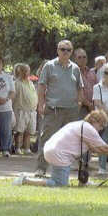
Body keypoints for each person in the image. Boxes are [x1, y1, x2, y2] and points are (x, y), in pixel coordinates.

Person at [13, 110, 108, 188]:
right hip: (59, 155)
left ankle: (84, 182)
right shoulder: (89, 129)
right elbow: (103, 148)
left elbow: (97, 148)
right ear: (94, 121)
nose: (101, 128)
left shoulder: (78, 124)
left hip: (51, 150)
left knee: (59, 180)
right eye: (101, 125)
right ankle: (25, 180)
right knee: (60, 184)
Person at [35, 40, 83, 176]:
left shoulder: (75, 68)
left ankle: (64, 169)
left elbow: (80, 88)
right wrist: (41, 105)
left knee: (69, 140)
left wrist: (79, 104)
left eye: (68, 50)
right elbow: (41, 87)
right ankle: (41, 168)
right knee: (47, 138)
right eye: (63, 49)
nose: (65, 52)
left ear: (71, 52)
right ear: (58, 50)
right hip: (53, 109)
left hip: (71, 110)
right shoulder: (49, 66)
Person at [12, 63, 37, 155]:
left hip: (32, 111)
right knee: (19, 131)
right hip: (21, 110)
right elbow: (13, 97)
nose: (26, 73)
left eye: (27, 71)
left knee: (29, 132)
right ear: (19, 72)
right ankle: (17, 148)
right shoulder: (16, 83)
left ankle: (27, 149)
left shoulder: (30, 82)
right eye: (23, 71)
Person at [74, 48, 97, 117]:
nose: (82, 59)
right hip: (81, 108)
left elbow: (97, 88)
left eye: (84, 57)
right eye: (79, 57)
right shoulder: (73, 73)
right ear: (75, 59)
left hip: (94, 107)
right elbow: (76, 92)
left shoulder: (92, 72)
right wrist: (89, 104)